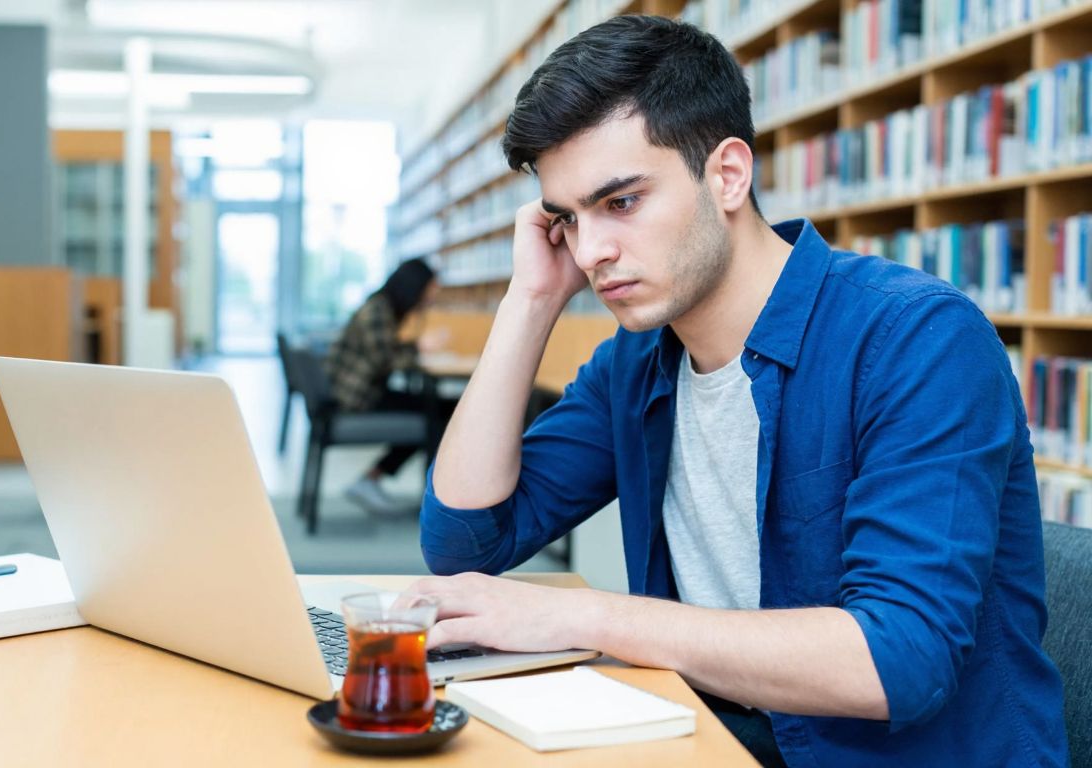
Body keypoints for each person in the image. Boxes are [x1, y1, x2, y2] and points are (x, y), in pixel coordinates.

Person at [403, 14, 1068, 768]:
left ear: (727, 175)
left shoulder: (916, 339)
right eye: (567, 220)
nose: (591, 253)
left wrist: (582, 614)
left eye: (620, 203)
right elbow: (463, 540)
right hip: (726, 741)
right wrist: (528, 303)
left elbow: (899, 659)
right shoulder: (638, 360)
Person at [324, 257, 449, 515]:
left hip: (364, 391)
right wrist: (418, 348)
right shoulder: (378, 310)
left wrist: (414, 346)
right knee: (436, 414)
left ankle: (375, 478)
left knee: (441, 410)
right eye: (429, 290)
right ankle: (437, 497)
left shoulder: (383, 307)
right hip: (359, 397)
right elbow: (384, 360)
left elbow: (386, 353)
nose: (431, 296)